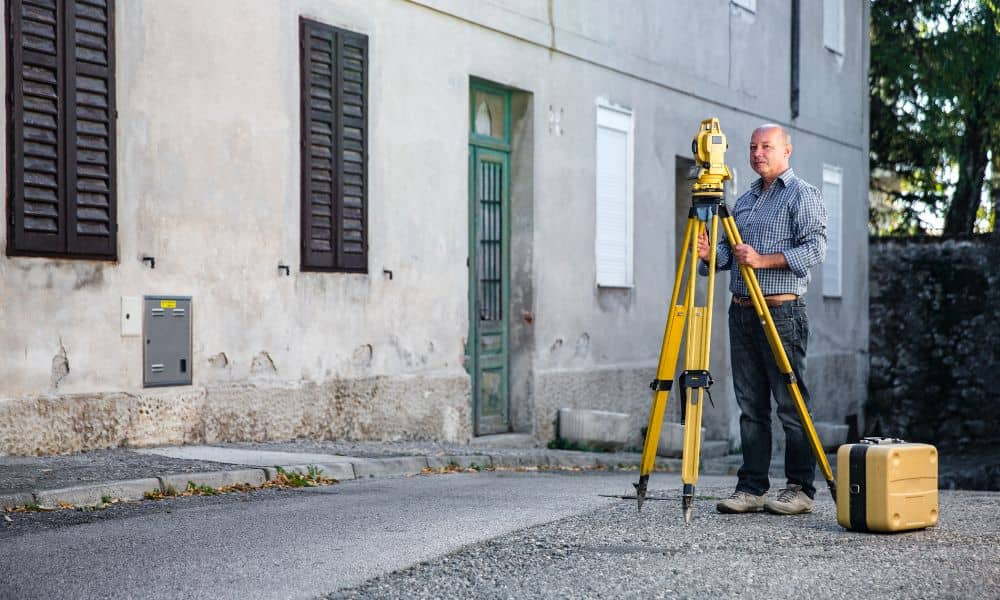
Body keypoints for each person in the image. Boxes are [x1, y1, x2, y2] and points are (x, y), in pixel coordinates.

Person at [697, 124, 827, 515]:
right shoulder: (747, 199)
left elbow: (816, 248)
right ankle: (751, 488)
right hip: (741, 311)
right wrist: (710, 257)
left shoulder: (803, 195)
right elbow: (729, 256)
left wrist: (763, 260)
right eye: (753, 146)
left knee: (791, 405)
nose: (757, 153)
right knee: (751, 407)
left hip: (781, 311)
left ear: (787, 150)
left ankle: (800, 489)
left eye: (766, 146)